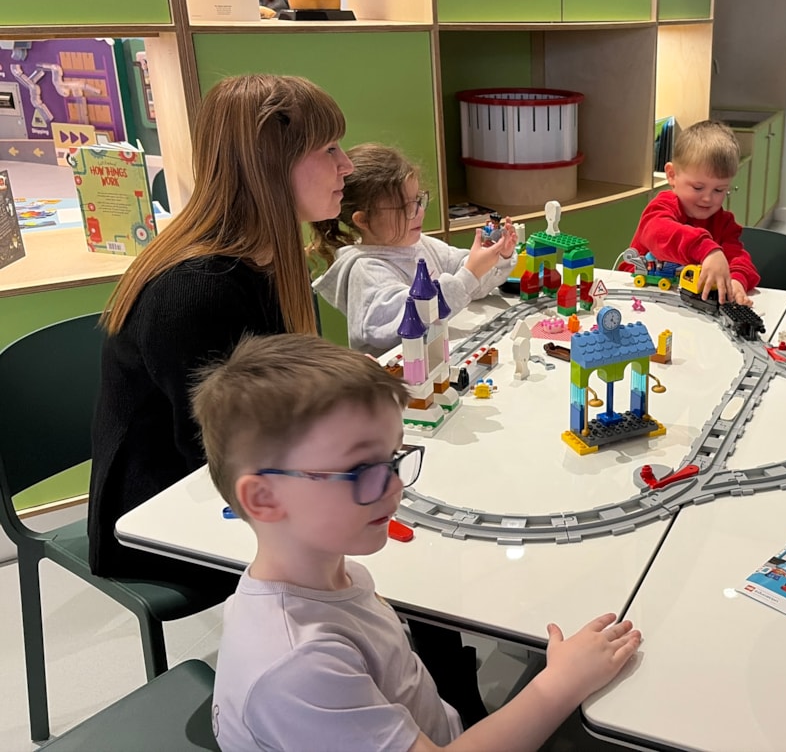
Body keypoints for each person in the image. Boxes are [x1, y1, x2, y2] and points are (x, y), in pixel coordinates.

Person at [193, 332, 642, 751]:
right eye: (363, 469)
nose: (395, 487)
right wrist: (560, 683)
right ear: (265, 498)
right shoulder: (297, 667)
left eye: (394, 457)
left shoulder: (330, 573)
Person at [88, 74, 353, 581]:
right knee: (376, 535)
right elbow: (217, 452)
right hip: (161, 514)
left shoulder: (273, 260)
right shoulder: (194, 290)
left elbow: (285, 392)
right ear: (267, 164)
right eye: (328, 149)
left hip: (246, 470)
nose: (348, 166)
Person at [311, 143, 518, 357]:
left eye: (418, 201)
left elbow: (470, 286)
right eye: (405, 207)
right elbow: (411, 318)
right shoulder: (365, 268)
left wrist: (497, 256)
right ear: (363, 219)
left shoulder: (420, 244)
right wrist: (471, 273)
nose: (419, 212)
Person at [622, 119, 760, 305]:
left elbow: (739, 259)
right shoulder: (662, 206)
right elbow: (658, 231)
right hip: (639, 298)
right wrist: (706, 249)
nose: (707, 198)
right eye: (698, 187)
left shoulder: (724, 223)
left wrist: (736, 279)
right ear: (672, 175)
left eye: (719, 190)